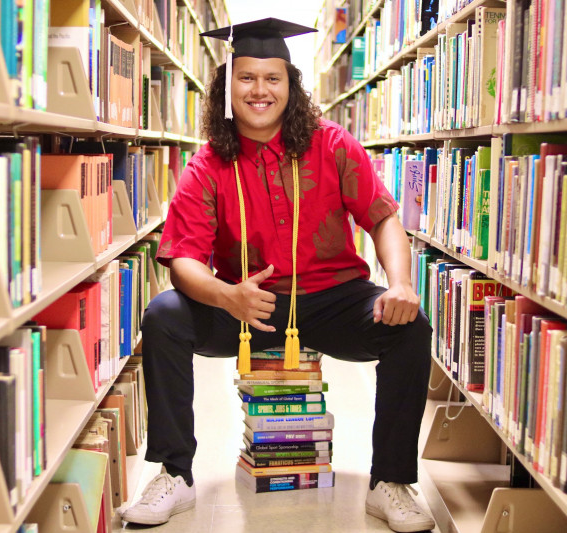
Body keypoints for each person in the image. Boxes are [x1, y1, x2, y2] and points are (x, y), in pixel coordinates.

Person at [118, 17, 436, 533]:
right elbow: (183, 260)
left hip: (334, 299)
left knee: (409, 327)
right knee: (164, 316)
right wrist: (226, 295)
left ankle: (391, 482)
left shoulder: (333, 146)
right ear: (227, 88)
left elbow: (382, 218)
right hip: (250, 308)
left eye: (273, 78)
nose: (260, 90)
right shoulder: (207, 166)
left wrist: (400, 284)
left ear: (291, 86)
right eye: (246, 78)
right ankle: (174, 474)